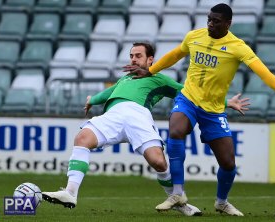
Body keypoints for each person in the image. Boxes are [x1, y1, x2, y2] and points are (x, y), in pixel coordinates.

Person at [124, 3, 275, 217]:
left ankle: (221, 202)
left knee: (228, 163)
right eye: (209, 19)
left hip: (214, 110)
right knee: (175, 130)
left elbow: (263, 72)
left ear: (228, 23)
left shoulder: (238, 47)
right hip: (189, 99)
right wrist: (150, 70)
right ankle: (178, 193)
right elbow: (175, 55)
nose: (210, 24)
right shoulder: (194, 36)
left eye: (216, 21)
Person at [42, 42, 250, 216]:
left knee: (159, 162)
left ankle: (180, 203)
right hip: (113, 116)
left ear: (150, 60)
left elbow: (192, 94)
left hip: (138, 116)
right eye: (131, 55)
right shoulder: (125, 78)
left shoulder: (157, 77)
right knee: (82, 138)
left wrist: (226, 103)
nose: (133, 59)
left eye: (138, 55)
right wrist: (92, 100)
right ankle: (70, 192)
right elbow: (108, 93)